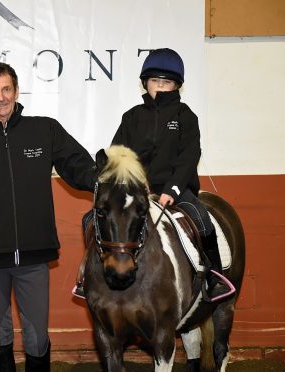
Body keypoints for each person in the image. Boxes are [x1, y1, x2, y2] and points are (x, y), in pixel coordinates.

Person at [0, 62, 95, 371]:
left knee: (37, 336)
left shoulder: (45, 129)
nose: (0, 98)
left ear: (16, 90)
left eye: (6, 89)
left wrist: (109, 179)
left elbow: (80, 167)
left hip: (34, 252)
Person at [73, 48, 232, 301]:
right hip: (138, 191)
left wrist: (172, 190)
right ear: (145, 82)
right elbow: (120, 154)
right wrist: (129, 183)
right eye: (155, 81)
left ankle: (214, 277)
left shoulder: (186, 117)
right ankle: (88, 274)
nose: (160, 87)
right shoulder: (132, 117)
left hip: (177, 189)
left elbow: (189, 157)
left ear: (176, 85)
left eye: (166, 82)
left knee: (202, 219)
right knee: (89, 219)